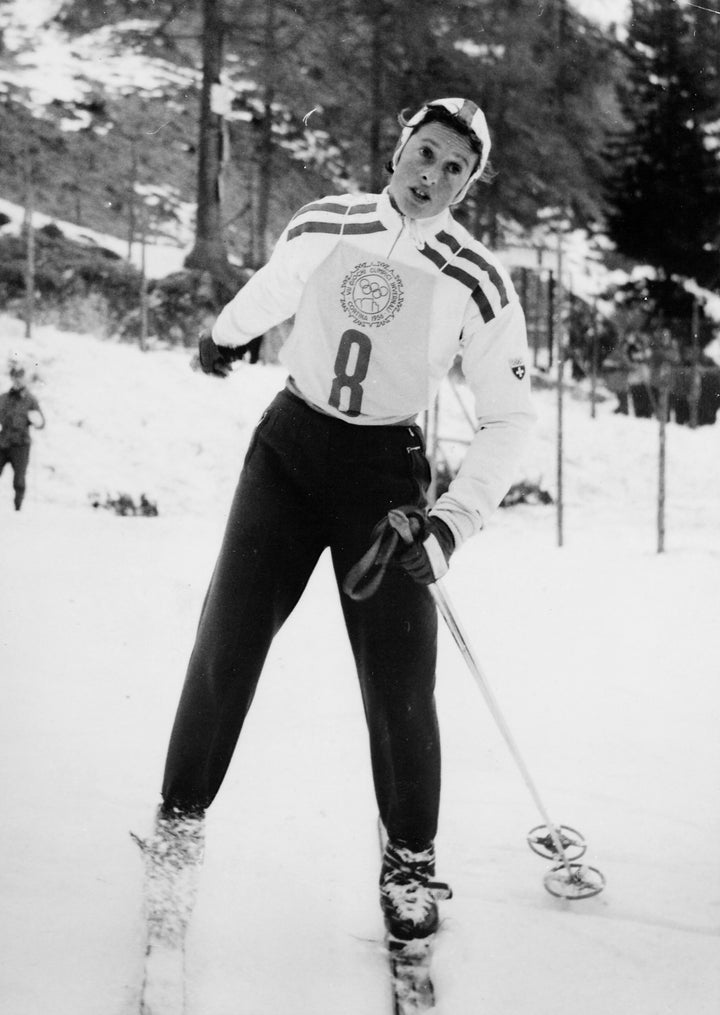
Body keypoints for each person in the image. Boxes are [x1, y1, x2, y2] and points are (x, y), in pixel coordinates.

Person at [148, 97, 534, 945]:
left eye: (453, 168)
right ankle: (179, 815)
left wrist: (451, 522)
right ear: (399, 145)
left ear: (469, 184)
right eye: (423, 152)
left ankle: (410, 858)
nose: (430, 175)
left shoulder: (478, 278)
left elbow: (509, 418)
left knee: (400, 678)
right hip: (290, 449)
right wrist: (224, 335)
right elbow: (274, 286)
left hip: (382, 476)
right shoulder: (330, 219)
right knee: (229, 639)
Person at [0, 364, 45, 511]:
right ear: (12, 378)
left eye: (20, 377)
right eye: (15, 377)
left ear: (24, 379)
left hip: (21, 445)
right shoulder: (3, 398)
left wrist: (36, 420)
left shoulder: (30, 400)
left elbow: (41, 422)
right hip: (3, 442)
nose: (17, 380)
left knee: (19, 479)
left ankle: (17, 507)